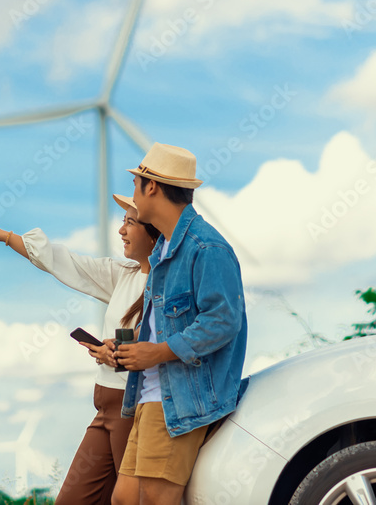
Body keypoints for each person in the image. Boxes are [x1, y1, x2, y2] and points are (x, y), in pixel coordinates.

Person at [0, 195, 161, 505]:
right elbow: (65, 262)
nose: (121, 230)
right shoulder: (122, 275)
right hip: (104, 409)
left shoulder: (168, 287)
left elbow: (159, 341)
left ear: (154, 232)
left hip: (132, 411)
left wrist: (113, 352)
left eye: (130, 222)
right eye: (122, 221)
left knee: (133, 501)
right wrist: (5, 236)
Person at [111, 142, 247, 505]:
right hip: (149, 396)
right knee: (124, 499)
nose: (134, 195)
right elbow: (161, 328)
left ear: (151, 186)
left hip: (180, 400)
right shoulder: (162, 251)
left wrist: (156, 353)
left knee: (156, 499)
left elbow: (223, 320)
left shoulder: (206, 248)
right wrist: (128, 351)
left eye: (137, 184)